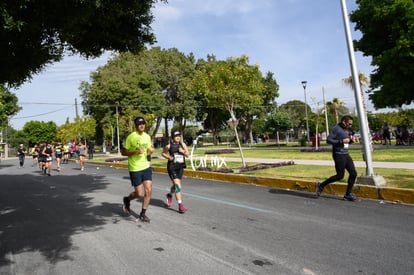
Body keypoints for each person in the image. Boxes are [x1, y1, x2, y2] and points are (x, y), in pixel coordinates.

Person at [315, 115, 358, 201]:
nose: (350, 126)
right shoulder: (336, 128)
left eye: (351, 124)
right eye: (349, 124)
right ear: (344, 122)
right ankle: (321, 185)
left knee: (353, 173)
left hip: (346, 154)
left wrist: (352, 140)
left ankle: (348, 194)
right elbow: (329, 140)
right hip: (338, 155)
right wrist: (341, 141)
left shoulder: (346, 130)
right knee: (340, 176)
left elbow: (346, 143)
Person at [121, 117, 154, 223]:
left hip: (146, 166)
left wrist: (150, 151)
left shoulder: (147, 137)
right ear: (136, 125)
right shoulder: (131, 137)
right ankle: (127, 199)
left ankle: (143, 214)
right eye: (140, 124)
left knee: (148, 190)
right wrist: (134, 152)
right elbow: (123, 152)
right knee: (139, 194)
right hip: (135, 168)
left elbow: (148, 151)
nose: (142, 125)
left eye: (143, 123)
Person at [162, 131, 189, 213]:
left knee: (175, 185)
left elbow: (187, 154)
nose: (178, 137)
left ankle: (170, 194)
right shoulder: (169, 146)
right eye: (176, 136)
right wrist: (168, 157)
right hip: (172, 168)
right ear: (173, 137)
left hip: (180, 167)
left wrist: (183, 152)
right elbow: (163, 153)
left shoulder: (183, 145)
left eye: (179, 136)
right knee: (178, 186)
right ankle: (180, 205)